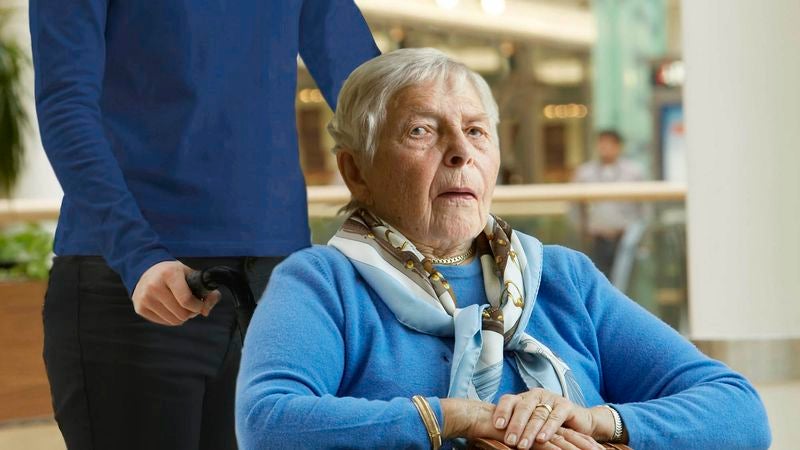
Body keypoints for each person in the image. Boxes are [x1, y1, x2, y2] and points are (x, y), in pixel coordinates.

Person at [235, 48, 771, 450]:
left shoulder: (563, 278)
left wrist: (592, 420)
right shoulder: (322, 283)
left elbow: (738, 410)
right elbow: (268, 422)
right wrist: (460, 419)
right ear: (356, 171)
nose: (460, 153)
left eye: (475, 131)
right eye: (422, 131)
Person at [30, 0, 379, 448]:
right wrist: (137, 256)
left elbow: (372, 96)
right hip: (136, 287)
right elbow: (65, 108)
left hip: (276, 289)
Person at [572, 131, 645, 277]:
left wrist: (640, 235)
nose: (605, 148)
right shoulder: (584, 173)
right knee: (595, 279)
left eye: (609, 144)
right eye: (601, 143)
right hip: (595, 238)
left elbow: (643, 207)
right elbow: (574, 206)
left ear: (619, 147)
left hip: (625, 237)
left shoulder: (633, 172)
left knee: (623, 281)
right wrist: (581, 229)